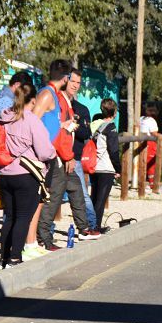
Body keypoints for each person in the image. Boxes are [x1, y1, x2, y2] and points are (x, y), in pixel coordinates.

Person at [0, 83, 55, 269]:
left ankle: (2, 259)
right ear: (34, 100)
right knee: (22, 217)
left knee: (10, 217)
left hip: (4, 172)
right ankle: (14, 258)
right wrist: (52, 155)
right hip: (25, 174)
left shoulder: (4, 116)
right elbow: (45, 152)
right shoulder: (31, 120)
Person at [32, 60, 76, 251]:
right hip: (40, 154)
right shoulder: (47, 94)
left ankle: (37, 239)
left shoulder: (54, 95)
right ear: (66, 78)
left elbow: (49, 124)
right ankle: (34, 240)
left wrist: (62, 127)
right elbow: (33, 121)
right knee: (39, 199)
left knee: (44, 198)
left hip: (48, 153)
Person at [0, 70, 35, 236]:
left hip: (4, 152)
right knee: (6, 199)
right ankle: (1, 231)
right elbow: (10, 122)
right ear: (17, 86)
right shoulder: (6, 100)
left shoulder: (5, 97)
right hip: (5, 154)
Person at [64, 67, 101, 238]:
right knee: (51, 197)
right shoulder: (56, 104)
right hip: (55, 158)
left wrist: (75, 127)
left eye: (79, 83)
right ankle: (43, 235)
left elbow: (86, 134)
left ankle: (90, 226)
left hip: (75, 158)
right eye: (73, 81)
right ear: (66, 80)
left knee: (82, 196)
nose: (76, 85)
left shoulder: (82, 109)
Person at [90, 98, 121, 227]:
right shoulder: (111, 127)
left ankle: (89, 225)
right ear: (114, 112)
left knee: (93, 198)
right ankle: (95, 227)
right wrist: (118, 168)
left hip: (94, 166)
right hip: (106, 168)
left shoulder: (96, 124)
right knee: (101, 201)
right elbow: (113, 151)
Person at [140, 103, 161, 185]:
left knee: (141, 163)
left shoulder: (140, 119)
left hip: (140, 142)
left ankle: (140, 180)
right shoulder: (151, 121)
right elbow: (154, 133)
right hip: (150, 144)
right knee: (151, 164)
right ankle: (152, 183)